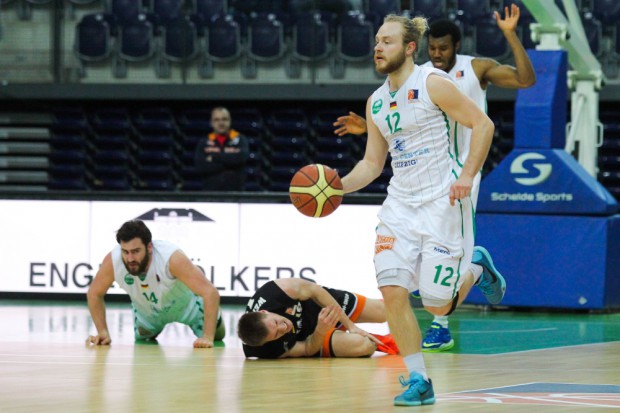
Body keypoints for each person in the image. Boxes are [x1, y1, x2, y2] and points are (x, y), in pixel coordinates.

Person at [333, 4, 534, 353]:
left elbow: (520, 84)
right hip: (405, 195)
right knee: (397, 287)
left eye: (387, 41)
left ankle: (458, 290)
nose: (377, 47)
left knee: (437, 296)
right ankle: (417, 376)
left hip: (456, 178)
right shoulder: (390, 92)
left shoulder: (468, 71)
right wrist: (337, 184)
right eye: (376, 41)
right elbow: (398, 136)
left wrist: (467, 175)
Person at [86, 219, 225, 348]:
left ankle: (195, 275)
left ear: (149, 247)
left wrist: (207, 336)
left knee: (218, 336)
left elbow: (210, 293)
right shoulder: (114, 261)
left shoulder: (171, 257)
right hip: (148, 314)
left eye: (135, 251)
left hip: (188, 308)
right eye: (125, 252)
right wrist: (102, 331)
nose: (130, 258)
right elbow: (94, 294)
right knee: (142, 342)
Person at [237, 278, 400, 359]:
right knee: (364, 346)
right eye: (277, 334)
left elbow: (314, 289)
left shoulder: (277, 292)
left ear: (265, 311)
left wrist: (350, 325)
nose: (283, 328)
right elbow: (307, 348)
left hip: (318, 304)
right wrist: (320, 331)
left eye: (276, 322)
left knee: (384, 312)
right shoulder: (265, 349)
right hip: (312, 333)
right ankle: (381, 341)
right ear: (267, 341)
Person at [194, 106, 249, 191]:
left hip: (235, 194)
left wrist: (213, 157)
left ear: (230, 121)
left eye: (224, 119)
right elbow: (200, 167)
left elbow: (241, 159)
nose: (221, 123)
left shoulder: (241, 139)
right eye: (217, 120)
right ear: (211, 123)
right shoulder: (204, 142)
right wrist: (230, 163)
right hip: (210, 194)